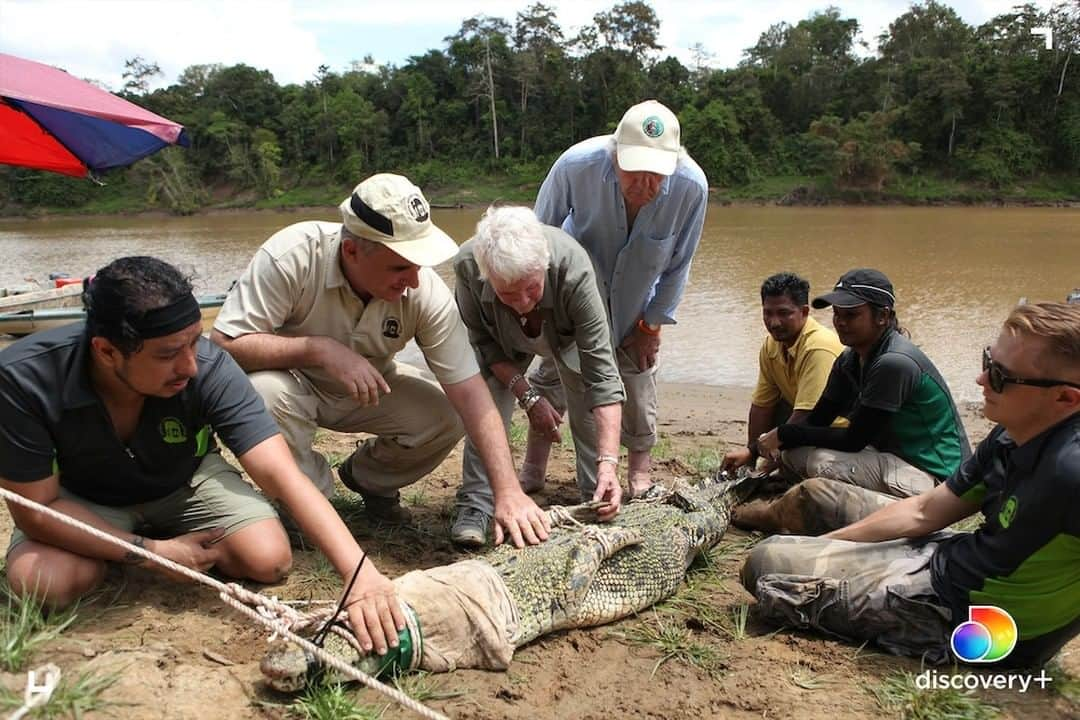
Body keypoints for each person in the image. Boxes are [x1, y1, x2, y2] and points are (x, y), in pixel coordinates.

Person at [0, 257, 404, 656]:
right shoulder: (23, 377)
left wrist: (361, 576)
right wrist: (151, 553)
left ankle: (124, 542)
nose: (190, 366)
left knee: (269, 559)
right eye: (167, 354)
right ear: (106, 352)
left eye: (195, 341)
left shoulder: (210, 366)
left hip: (185, 481)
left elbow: (283, 476)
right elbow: (36, 509)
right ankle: (117, 547)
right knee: (43, 584)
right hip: (83, 498)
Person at [210, 174, 549, 548]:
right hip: (293, 385)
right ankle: (308, 502)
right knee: (263, 391)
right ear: (353, 250)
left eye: (419, 265)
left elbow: (470, 392)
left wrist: (507, 491)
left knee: (447, 415)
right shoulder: (293, 255)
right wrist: (318, 349)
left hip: (372, 386)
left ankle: (368, 477)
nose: (415, 281)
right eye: (400, 267)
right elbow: (225, 344)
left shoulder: (424, 292)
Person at [741, 302, 1080, 668]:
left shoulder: (1069, 473)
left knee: (764, 563)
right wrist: (830, 545)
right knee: (816, 498)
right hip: (953, 558)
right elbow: (924, 511)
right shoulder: (1010, 436)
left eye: (1000, 375)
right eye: (987, 362)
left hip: (967, 617)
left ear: (1065, 397)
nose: (981, 380)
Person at [531, 99, 708, 498]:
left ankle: (639, 478)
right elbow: (539, 237)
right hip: (571, 302)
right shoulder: (576, 166)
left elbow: (680, 264)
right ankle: (534, 470)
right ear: (614, 153)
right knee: (553, 382)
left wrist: (652, 324)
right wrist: (540, 308)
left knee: (640, 387)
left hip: (635, 308)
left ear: (674, 165)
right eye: (635, 170)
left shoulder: (692, 188)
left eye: (656, 175)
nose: (645, 184)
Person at [747, 269, 970, 532]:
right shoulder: (850, 358)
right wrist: (772, 444)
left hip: (935, 477)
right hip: (890, 458)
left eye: (851, 315)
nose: (840, 322)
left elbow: (854, 440)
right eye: (837, 314)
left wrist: (784, 432)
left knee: (818, 463)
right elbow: (819, 419)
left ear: (882, 316)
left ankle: (893, 510)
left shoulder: (893, 363)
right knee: (792, 452)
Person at [451, 206, 625, 544]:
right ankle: (475, 502)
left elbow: (602, 376)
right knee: (484, 399)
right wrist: (528, 397)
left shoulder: (573, 268)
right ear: (487, 277)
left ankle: (598, 492)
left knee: (585, 401)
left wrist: (610, 462)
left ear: (543, 266)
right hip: (500, 339)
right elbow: (484, 346)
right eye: (507, 294)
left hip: (566, 333)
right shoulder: (468, 266)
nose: (522, 304)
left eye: (531, 289)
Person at [722, 272, 846, 476]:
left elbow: (808, 416)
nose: (774, 322)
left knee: (798, 460)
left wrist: (759, 451)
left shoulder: (818, 348)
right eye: (767, 313)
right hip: (803, 420)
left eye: (783, 313)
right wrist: (750, 455)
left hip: (836, 430)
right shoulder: (772, 344)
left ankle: (784, 467)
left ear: (804, 312)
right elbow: (762, 405)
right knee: (776, 406)